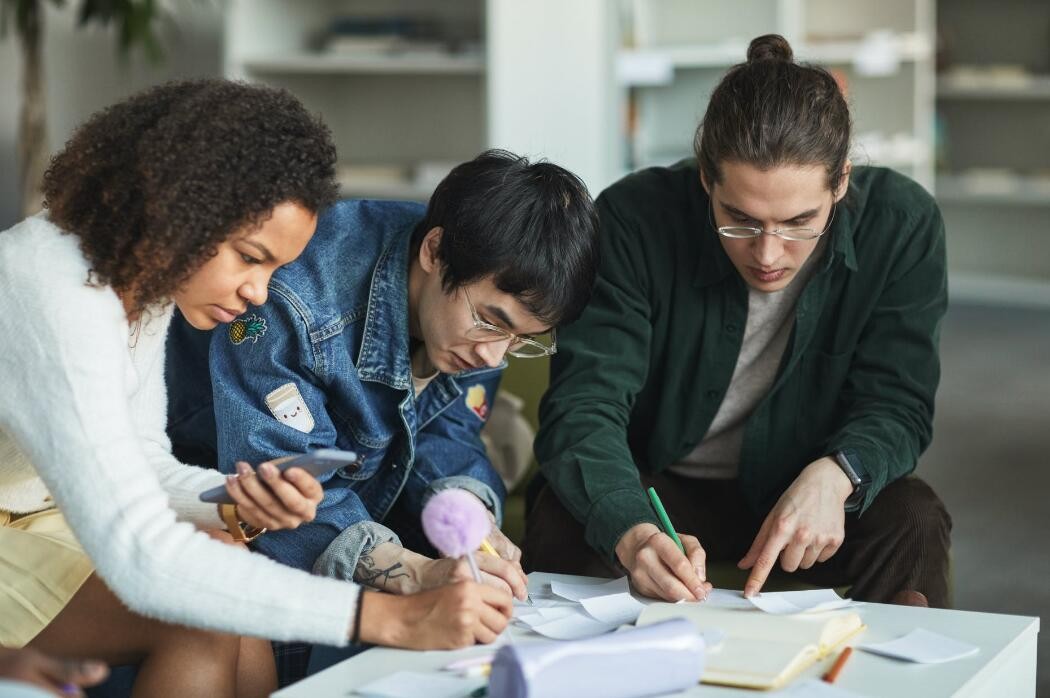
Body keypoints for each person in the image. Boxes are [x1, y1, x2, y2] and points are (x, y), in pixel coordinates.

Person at [0, 79, 511, 698]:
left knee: (228, 555)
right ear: (178, 208)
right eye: (249, 256)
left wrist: (237, 503)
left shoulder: (142, 287)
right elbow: (140, 553)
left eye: (273, 268)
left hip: (33, 521)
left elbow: (141, 461)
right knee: (193, 614)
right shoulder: (50, 290)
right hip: (23, 527)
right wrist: (389, 617)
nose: (258, 293)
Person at [524, 34, 952, 609]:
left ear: (842, 181)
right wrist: (632, 531)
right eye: (740, 220)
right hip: (662, 487)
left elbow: (897, 403)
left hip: (807, 483)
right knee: (565, 508)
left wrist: (838, 474)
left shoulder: (903, 225)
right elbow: (584, 407)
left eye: (801, 221)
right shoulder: (633, 219)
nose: (769, 254)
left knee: (914, 518)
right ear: (706, 178)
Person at [166, 150, 600, 605]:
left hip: (357, 508)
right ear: (434, 251)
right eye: (490, 322)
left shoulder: (475, 301)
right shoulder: (291, 301)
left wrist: (470, 522)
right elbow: (277, 485)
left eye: (520, 340)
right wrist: (412, 572)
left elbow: (446, 430)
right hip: (219, 505)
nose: (494, 356)